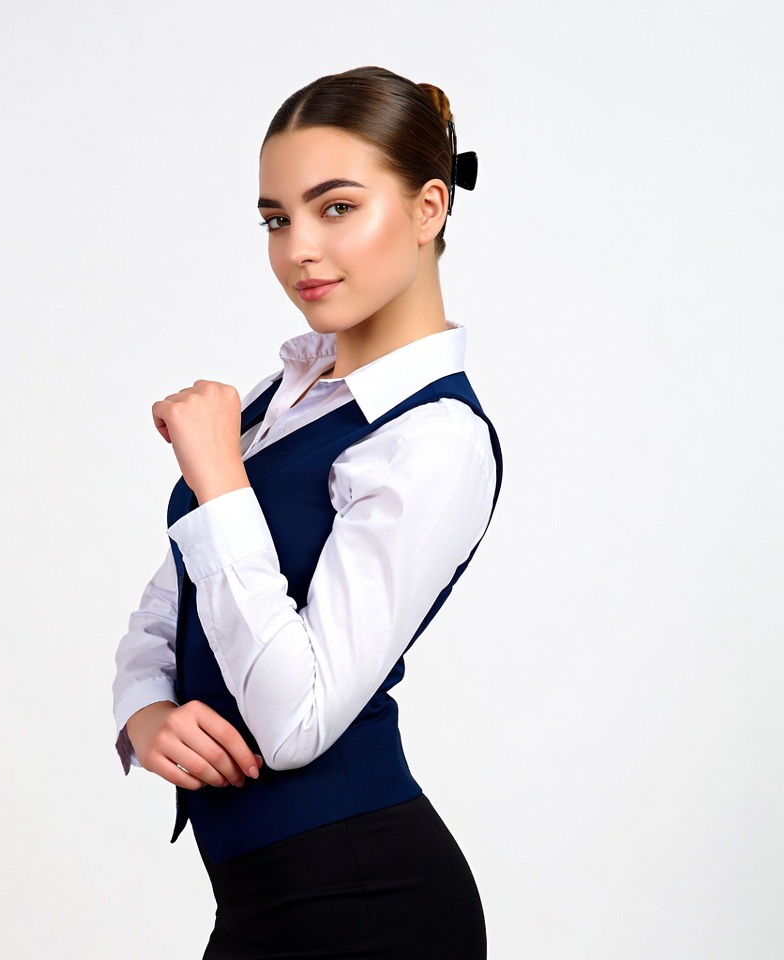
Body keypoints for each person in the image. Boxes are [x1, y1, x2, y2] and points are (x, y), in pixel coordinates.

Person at [112, 65, 503, 959]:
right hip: (265, 896)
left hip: (365, 901)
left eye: (336, 208)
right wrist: (145, 712)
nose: (298, 250)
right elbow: (164, 611)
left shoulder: (435, 437)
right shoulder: (282, 396)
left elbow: (295, 725)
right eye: (276, 219)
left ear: (428, 208)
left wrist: (217, 476)